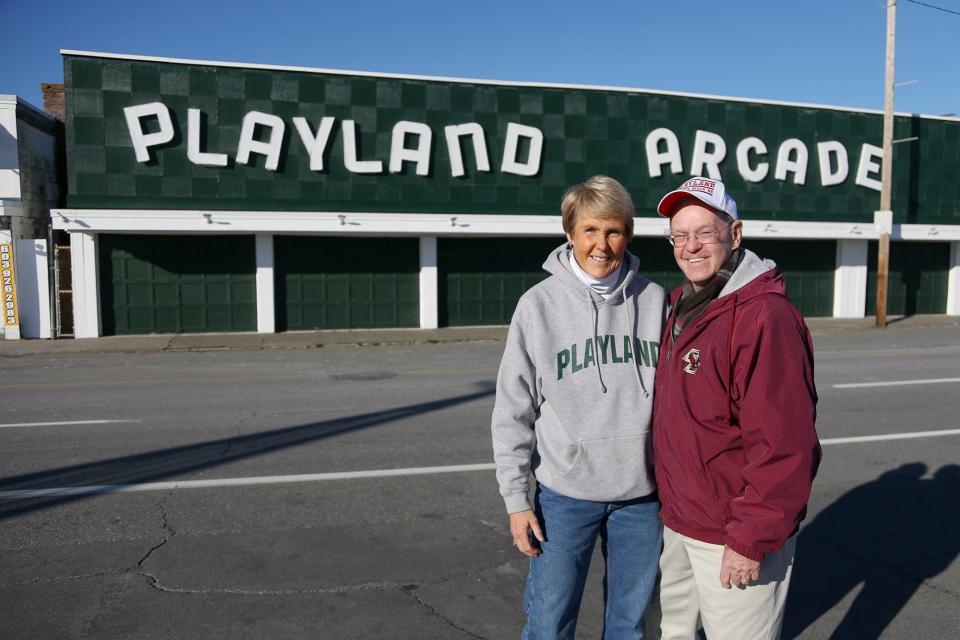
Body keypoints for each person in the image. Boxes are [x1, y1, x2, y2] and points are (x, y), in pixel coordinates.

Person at [492, 175, 665, 639]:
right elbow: (513, 410)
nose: (602, 244)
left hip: (642, 498)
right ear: (570, 233)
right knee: (549, 625)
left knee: (629, 628)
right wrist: (515, 499)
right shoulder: (538, 306)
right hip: (565, 496)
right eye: (590, 230)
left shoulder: (655, 301)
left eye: (613, 231)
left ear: (628, 233)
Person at [648, 176, 821, 640]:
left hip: (733, 532)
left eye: (705, 232)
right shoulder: (678, 307)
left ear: (735, 234)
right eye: (679, 236)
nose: (691, 246)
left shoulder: (766, 316)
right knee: (672, 633)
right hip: (681, 522)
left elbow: (786, 445)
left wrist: (750, 539)